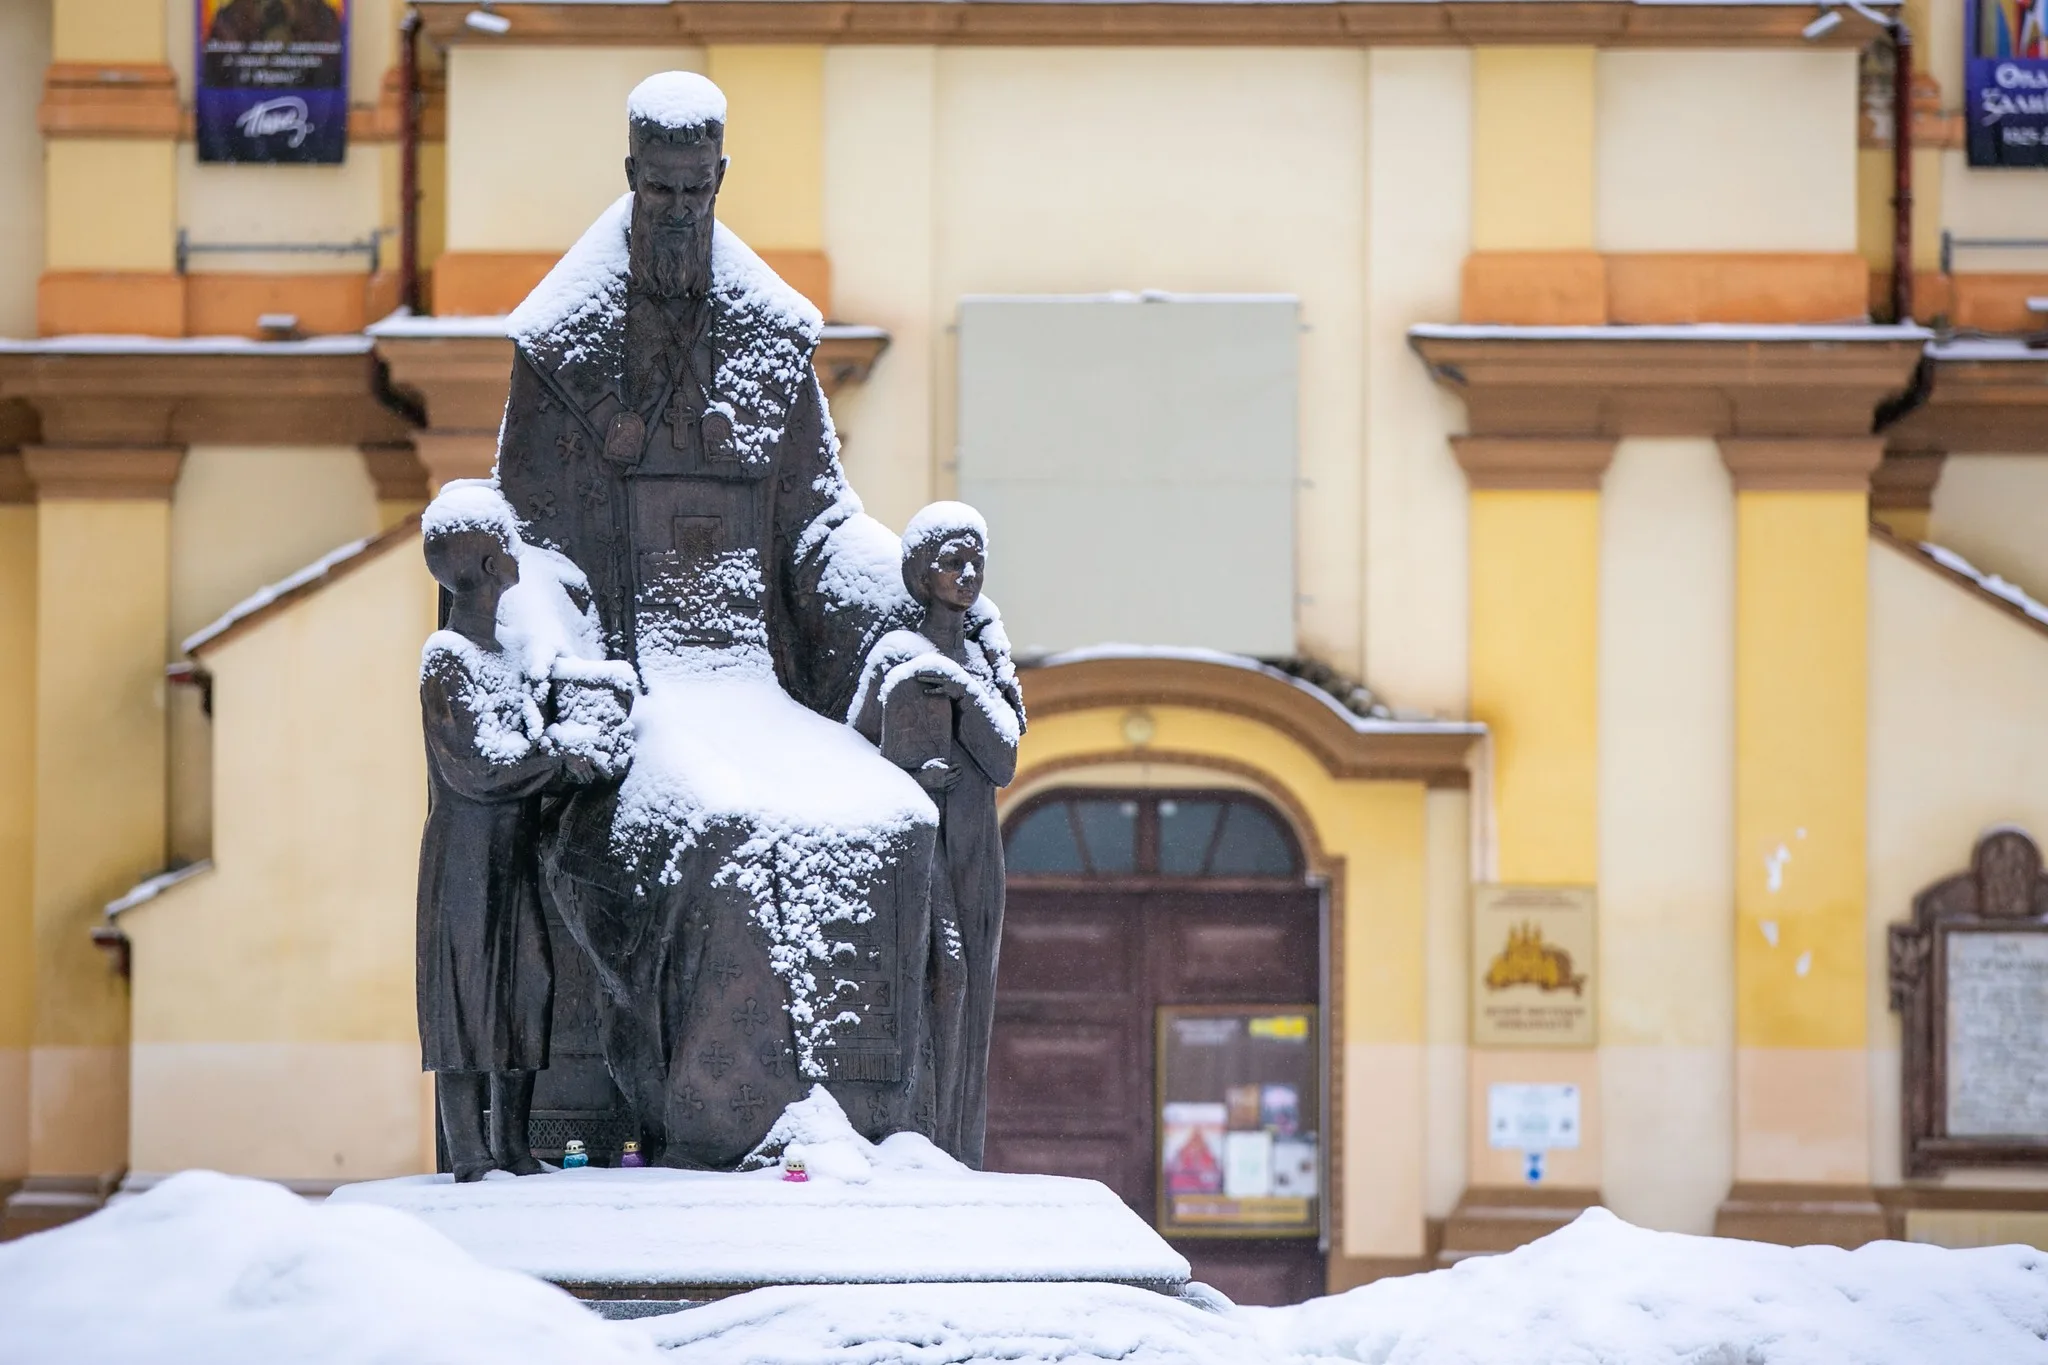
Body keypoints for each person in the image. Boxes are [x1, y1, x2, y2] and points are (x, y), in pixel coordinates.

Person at [417, 489, 599, 1181]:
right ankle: (469, 1148)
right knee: (465, 993)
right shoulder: (449, 659)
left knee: (527, 983)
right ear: (492, 562)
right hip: (465, 856)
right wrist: (555, 763)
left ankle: (515, 1145)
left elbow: (523, 749)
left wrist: (571, 757)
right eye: (510, 547)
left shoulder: (507, 657)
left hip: (513, 852)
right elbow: (476, 768)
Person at [849, 504, 1024, 1166]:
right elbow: (857, 742)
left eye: (976, 560)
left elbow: (1004, 757)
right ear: (923, 573)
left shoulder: (981, 661)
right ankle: (916, 1128)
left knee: (971, 982)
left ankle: (957, 1140)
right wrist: (912, 775)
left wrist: (957, 687)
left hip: (975, 842)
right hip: (918, 841)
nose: (968, 573)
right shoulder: (896, 654)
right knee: (936, 971)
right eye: (953, 560)